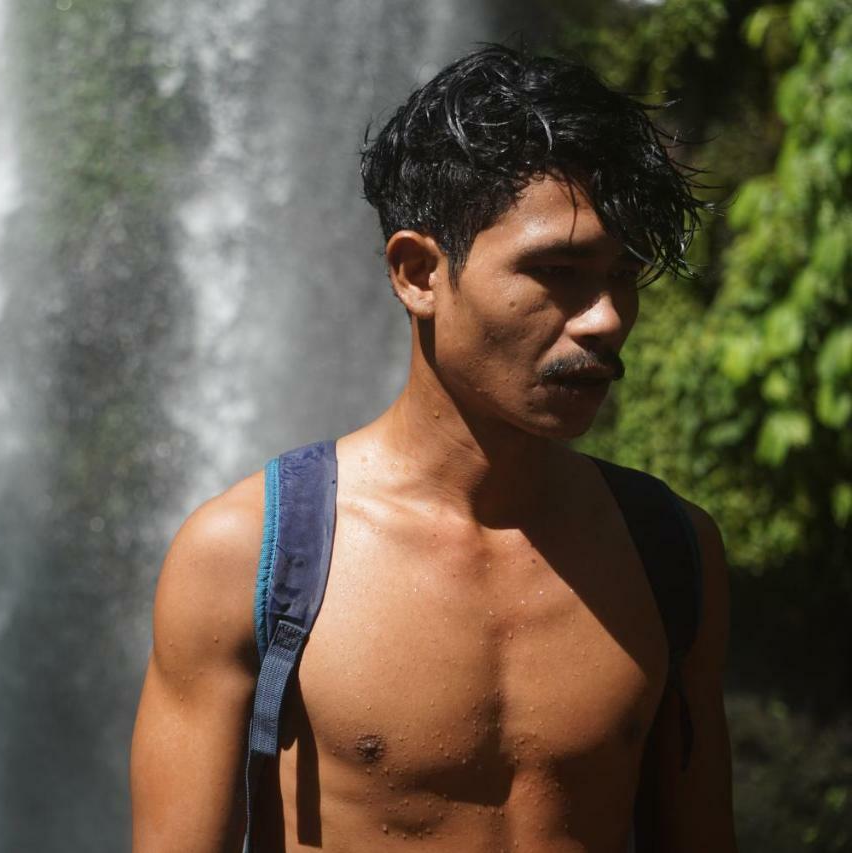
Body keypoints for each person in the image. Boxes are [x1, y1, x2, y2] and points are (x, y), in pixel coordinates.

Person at [130, 44, 736, 852]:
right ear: (418, 272)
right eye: (558, 270)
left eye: (623, 275)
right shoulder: (245, 559)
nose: (606, 319)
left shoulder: (671, 555)